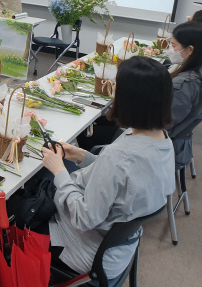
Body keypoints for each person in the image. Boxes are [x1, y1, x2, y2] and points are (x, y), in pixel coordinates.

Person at [41, 56, 174, 281]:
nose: (112, 91)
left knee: (21, 203)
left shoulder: (119, 155)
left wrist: (59, 171)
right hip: (119, 246)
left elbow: (83, 218)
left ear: (129, 99)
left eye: (116, 87)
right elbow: (124, 180)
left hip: (88, 250)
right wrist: (82, 156)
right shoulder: (163, 140)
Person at [166, 22, 202, 168]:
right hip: (176, 141)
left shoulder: (185, 84)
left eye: (174, 46)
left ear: (190, 49)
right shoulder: (195, 73)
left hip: (167, 149)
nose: (171, 50)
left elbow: (161, 124)